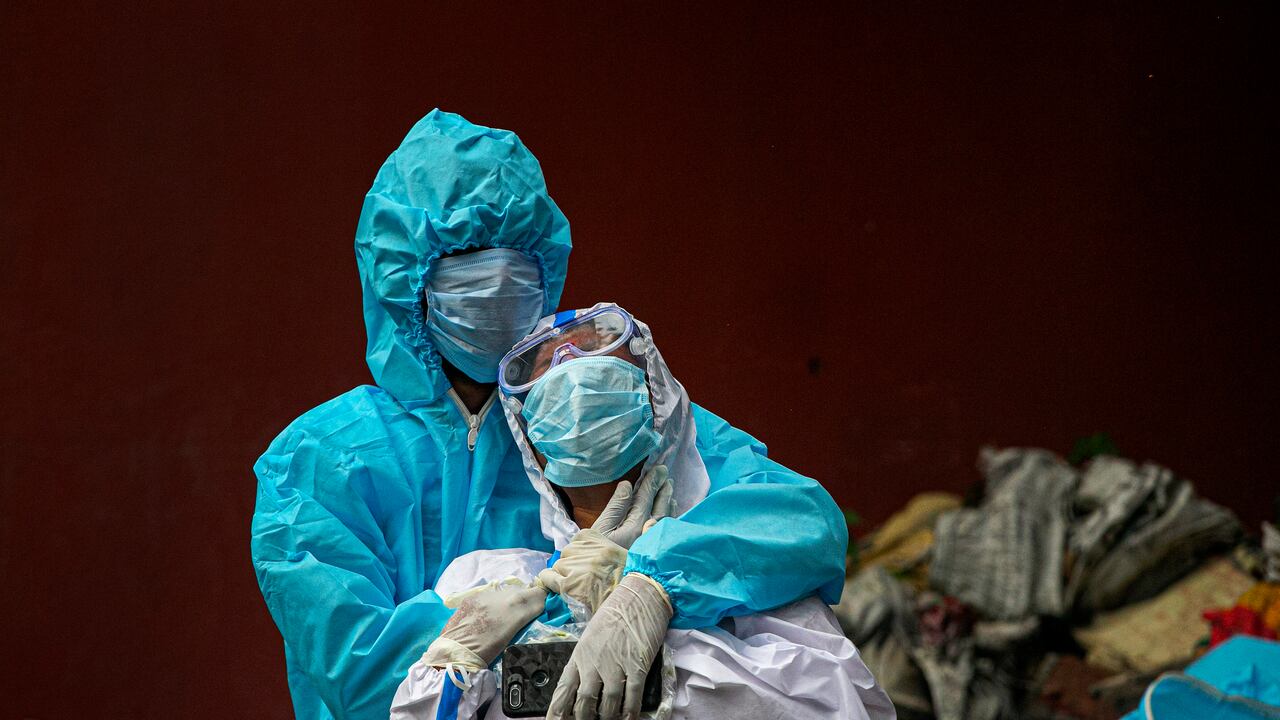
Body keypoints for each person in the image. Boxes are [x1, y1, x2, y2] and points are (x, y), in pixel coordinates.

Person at [390, 303, 894, 720]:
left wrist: (644, 603)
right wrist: (450, 670)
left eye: (593, 352)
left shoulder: (746, 575)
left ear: (658, 403)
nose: (570, 369)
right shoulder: (487, 579)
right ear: (530, 445)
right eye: (546, 368)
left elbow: (840, 699)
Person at [250, 109, 573, 720]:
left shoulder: (591, 421)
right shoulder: (318, 461)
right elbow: (363, 673)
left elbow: (765, 517)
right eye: (468, 256)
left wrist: (652, 590)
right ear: (402, 280)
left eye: (515, 255)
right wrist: (563, 668)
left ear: (545, 273)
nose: (496, 281)